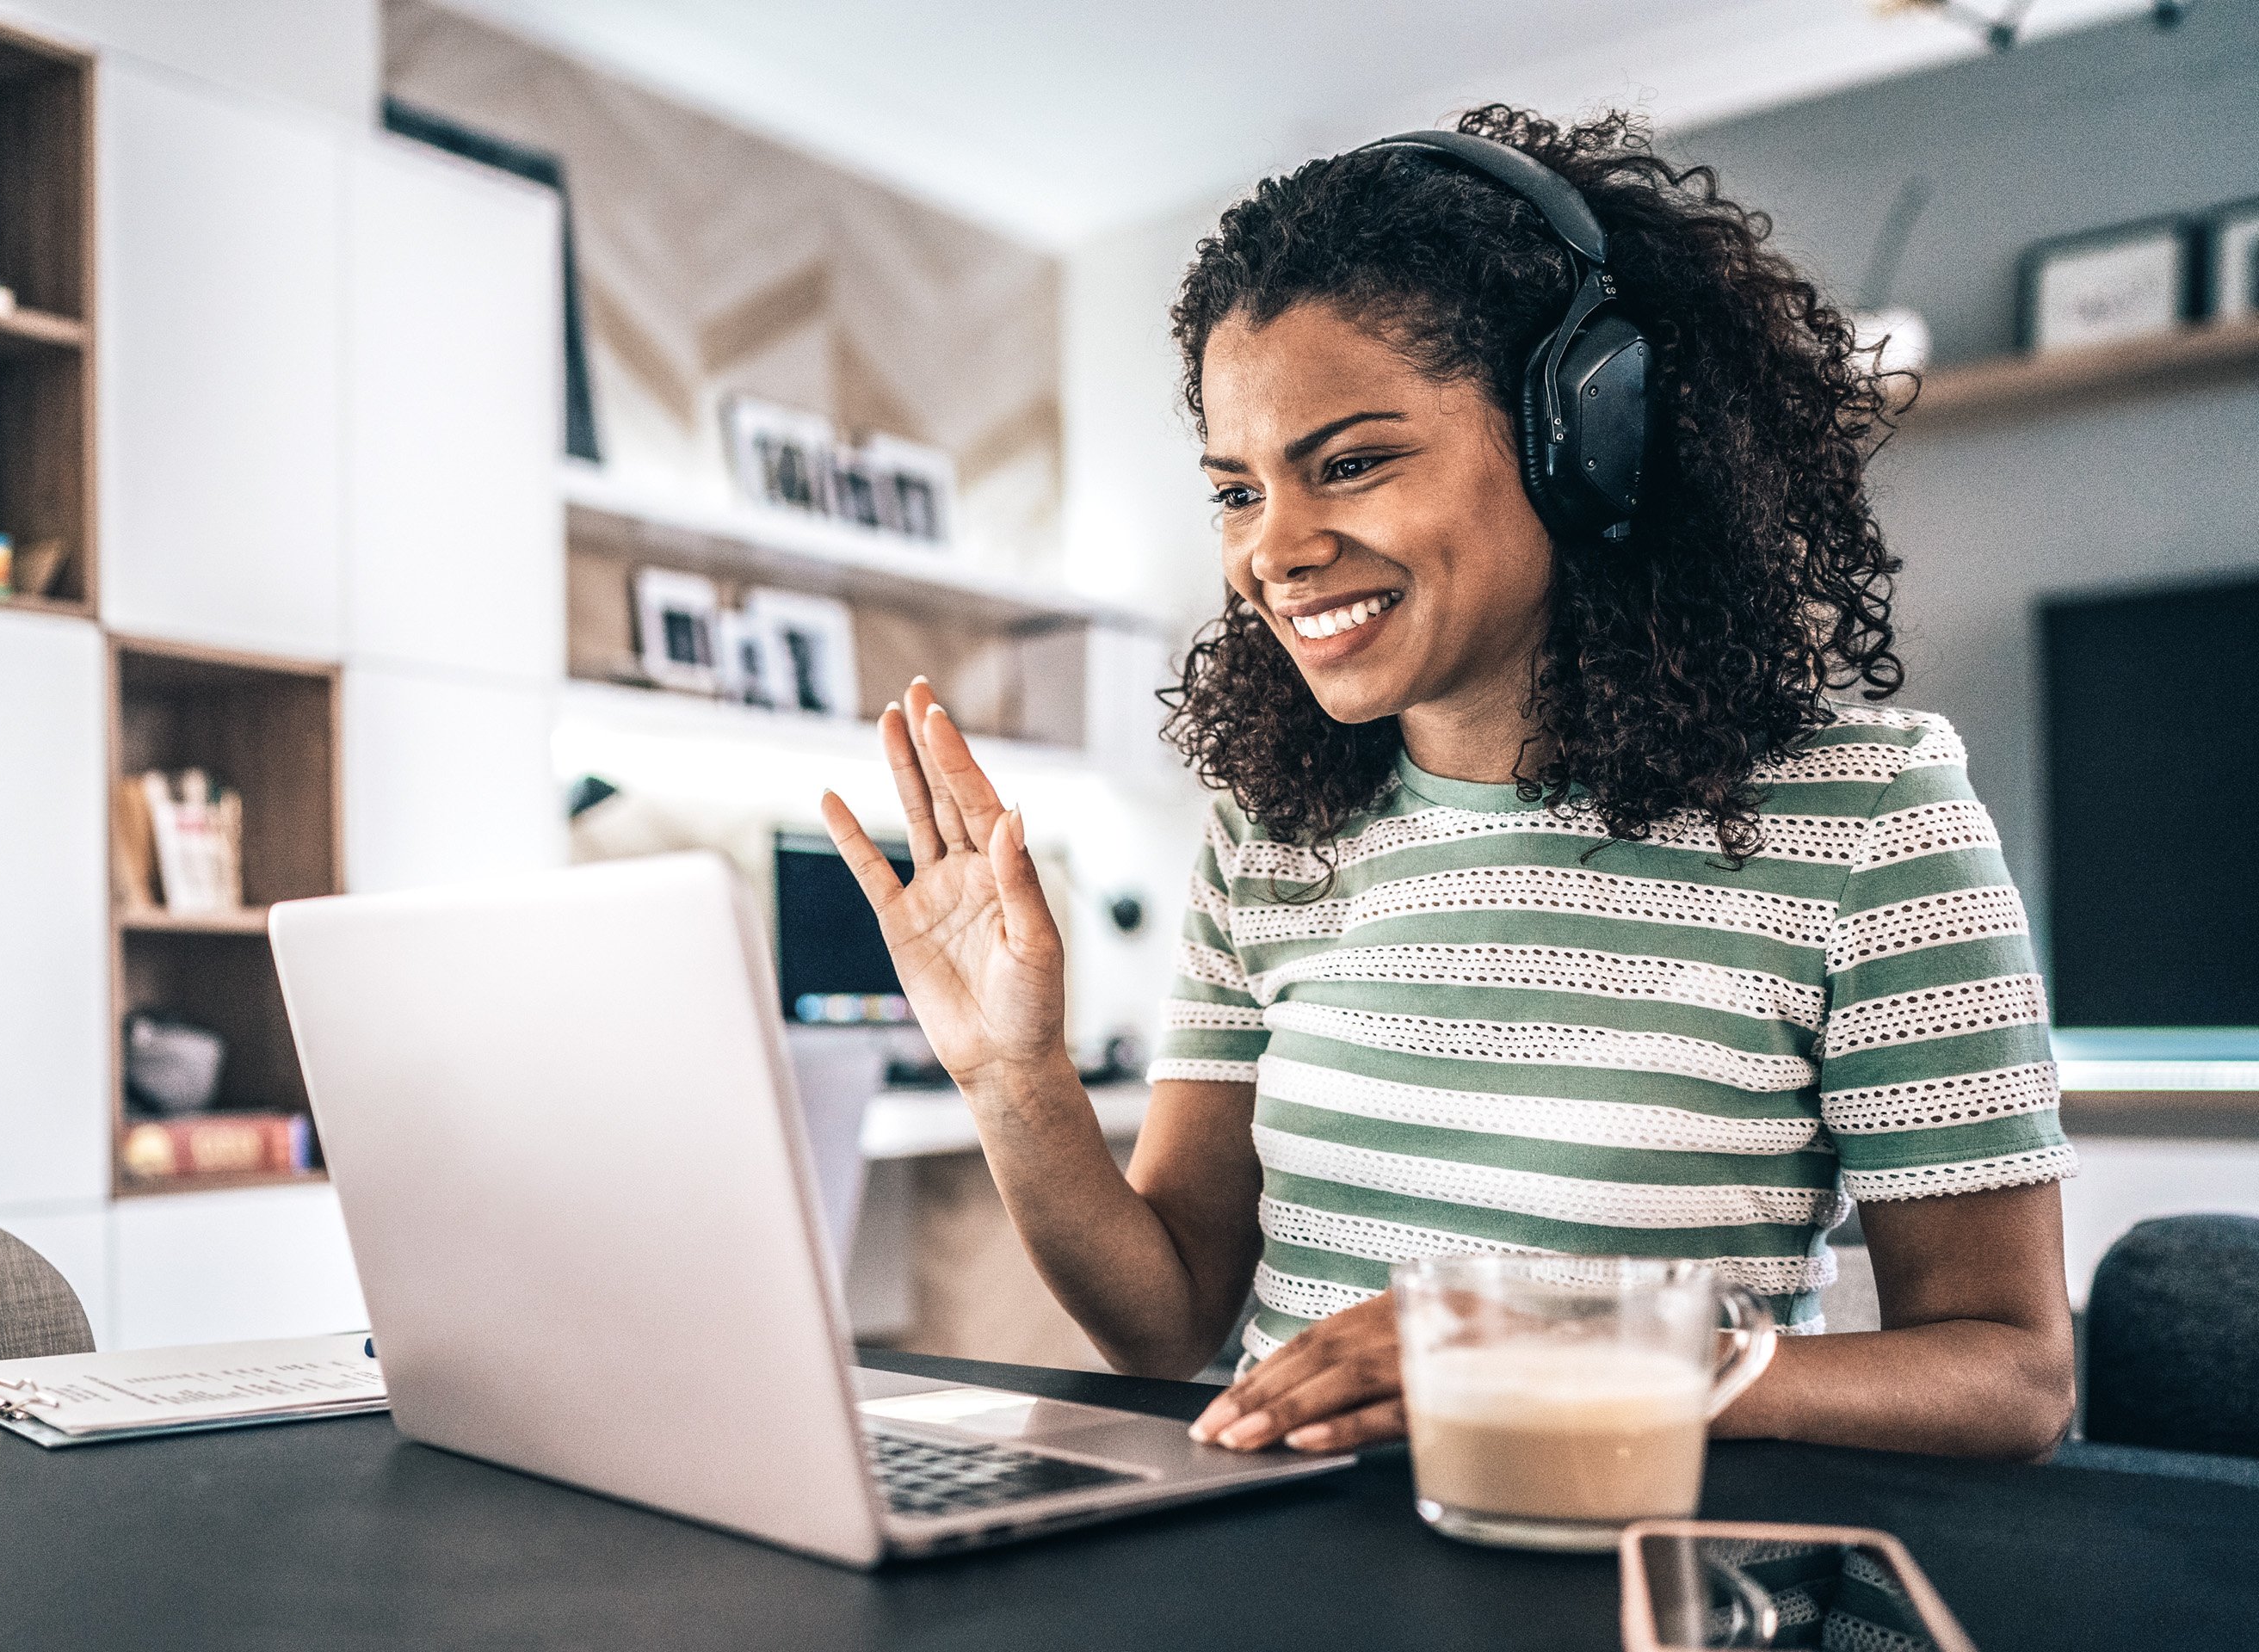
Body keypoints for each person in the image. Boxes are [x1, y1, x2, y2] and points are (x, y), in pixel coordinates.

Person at [820, 106, 2077, 1463]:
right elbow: (1169, 1323)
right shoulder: (1272, 837)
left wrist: (1578, 1361)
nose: (1274, 554)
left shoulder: (1868, 816)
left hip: (1609, 1562)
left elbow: (2013, 1379)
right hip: (1272, 1553)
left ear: (1582, 440)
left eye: (1350, 465)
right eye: (1237, 491)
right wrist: (1014, 1079)